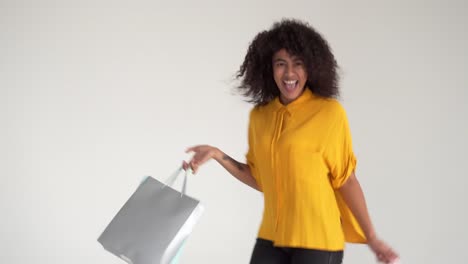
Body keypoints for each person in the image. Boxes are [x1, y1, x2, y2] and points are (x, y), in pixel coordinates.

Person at [182, 19, 399, 264]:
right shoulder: (260, 117)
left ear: (311, 68)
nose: (289, 73)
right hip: (271, 238)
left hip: (317, 241)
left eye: (298, 64)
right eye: (280, 64)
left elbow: (346, 180)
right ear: (269, 68)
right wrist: (218, 154)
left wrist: (371, 237)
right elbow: (263, 180)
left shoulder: (329, 113)